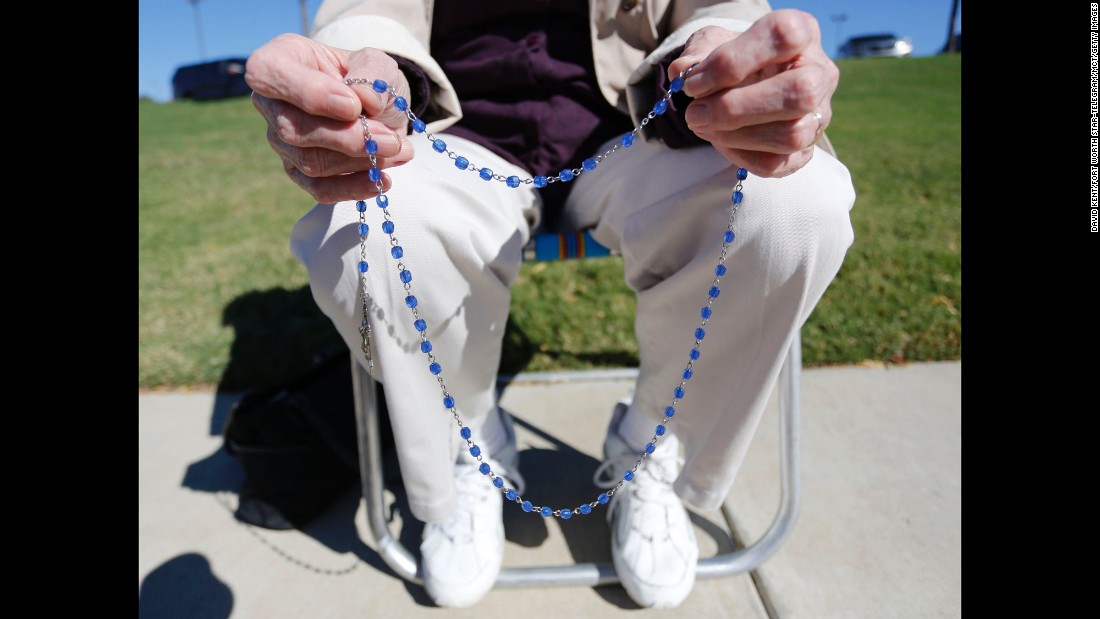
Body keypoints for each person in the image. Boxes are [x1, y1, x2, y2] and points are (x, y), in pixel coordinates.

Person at [246, 0, 855, 609]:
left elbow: (714, 8)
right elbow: (369, 12)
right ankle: (472, 444)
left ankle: (651, 447)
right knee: (365, 224)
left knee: (793, 204)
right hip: (457, 138)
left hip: (633, 133)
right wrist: (363, 72)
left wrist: (722, 58)